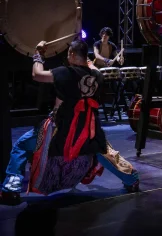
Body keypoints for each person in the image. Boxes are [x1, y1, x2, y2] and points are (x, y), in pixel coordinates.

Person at [0, 39, 139, 205]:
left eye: (68, 54)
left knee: (21, 146)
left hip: (61, 129)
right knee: (103, 152)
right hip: (88, 128)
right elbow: (93, 67)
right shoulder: (97, 75)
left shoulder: (65, 73)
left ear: (72, 55)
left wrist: (38, 55)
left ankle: (12, 188)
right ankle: (131, 179)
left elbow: (37, 74)